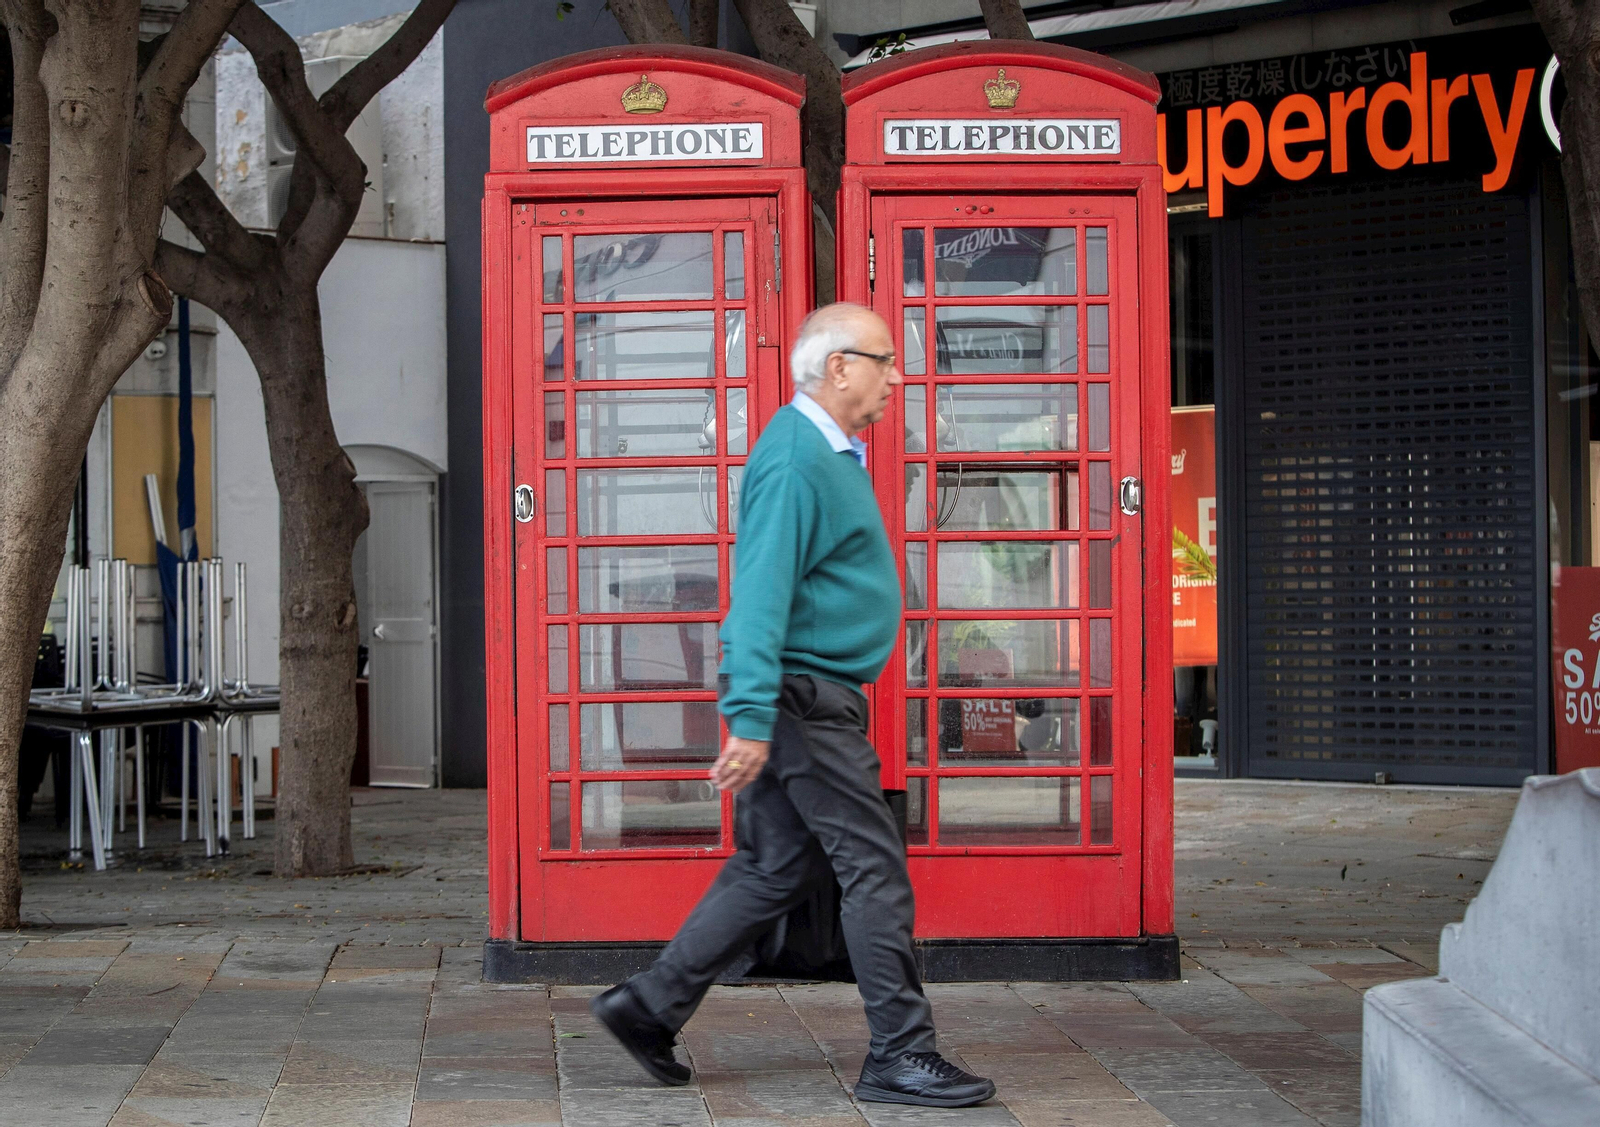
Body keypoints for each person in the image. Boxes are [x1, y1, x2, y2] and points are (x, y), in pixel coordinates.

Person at [590, 303, 996, 1109]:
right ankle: (901, 1052)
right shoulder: (795, 456)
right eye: (884, 359)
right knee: (875, 870)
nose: (898, 374)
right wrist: (746, 713)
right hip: (804, 701)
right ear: (838, 365)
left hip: (808, 696)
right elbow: (760, 591)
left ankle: (648, 1006)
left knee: (775, 865)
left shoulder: (831, 453)